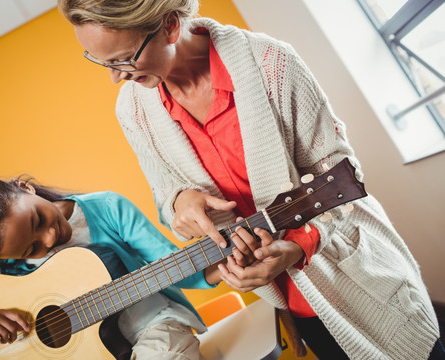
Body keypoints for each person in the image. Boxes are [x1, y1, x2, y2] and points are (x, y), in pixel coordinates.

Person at [56, 1, 444, 359]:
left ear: (170, 26)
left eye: (123, 59)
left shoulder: (272, 63)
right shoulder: (133, 110)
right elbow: (166, 195)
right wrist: (180, 201)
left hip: (360, 274)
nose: (114, 78)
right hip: (293, 300)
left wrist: (299, 246)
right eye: (100, 61)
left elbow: (343, 179)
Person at [0, 177, 223, 360]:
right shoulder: (0, 259)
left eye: (38, 220)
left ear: (24, 188)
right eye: (32, 249)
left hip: (152, 324)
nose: (50, 236)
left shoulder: (106, 208)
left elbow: (167, 263)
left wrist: (224, 267)